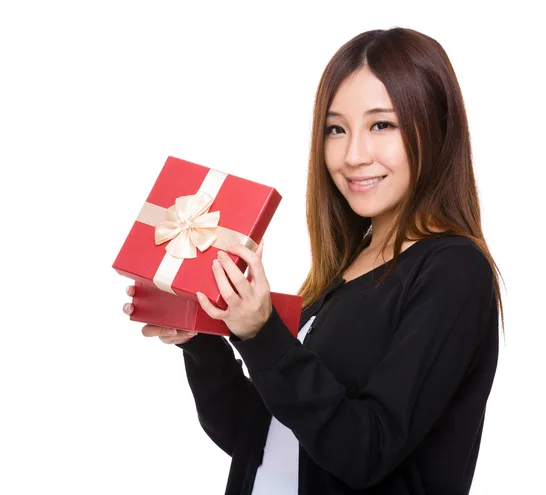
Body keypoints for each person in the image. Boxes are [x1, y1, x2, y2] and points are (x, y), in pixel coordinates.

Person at [123, 27, 503, 495]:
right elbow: (261, 441)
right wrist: (204, 342)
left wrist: (263, 335)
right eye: (335, 129)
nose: (352, 155)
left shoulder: (454, 270)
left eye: (381, 124)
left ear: (437, 127)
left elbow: (365, 453)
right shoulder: (339, 275)